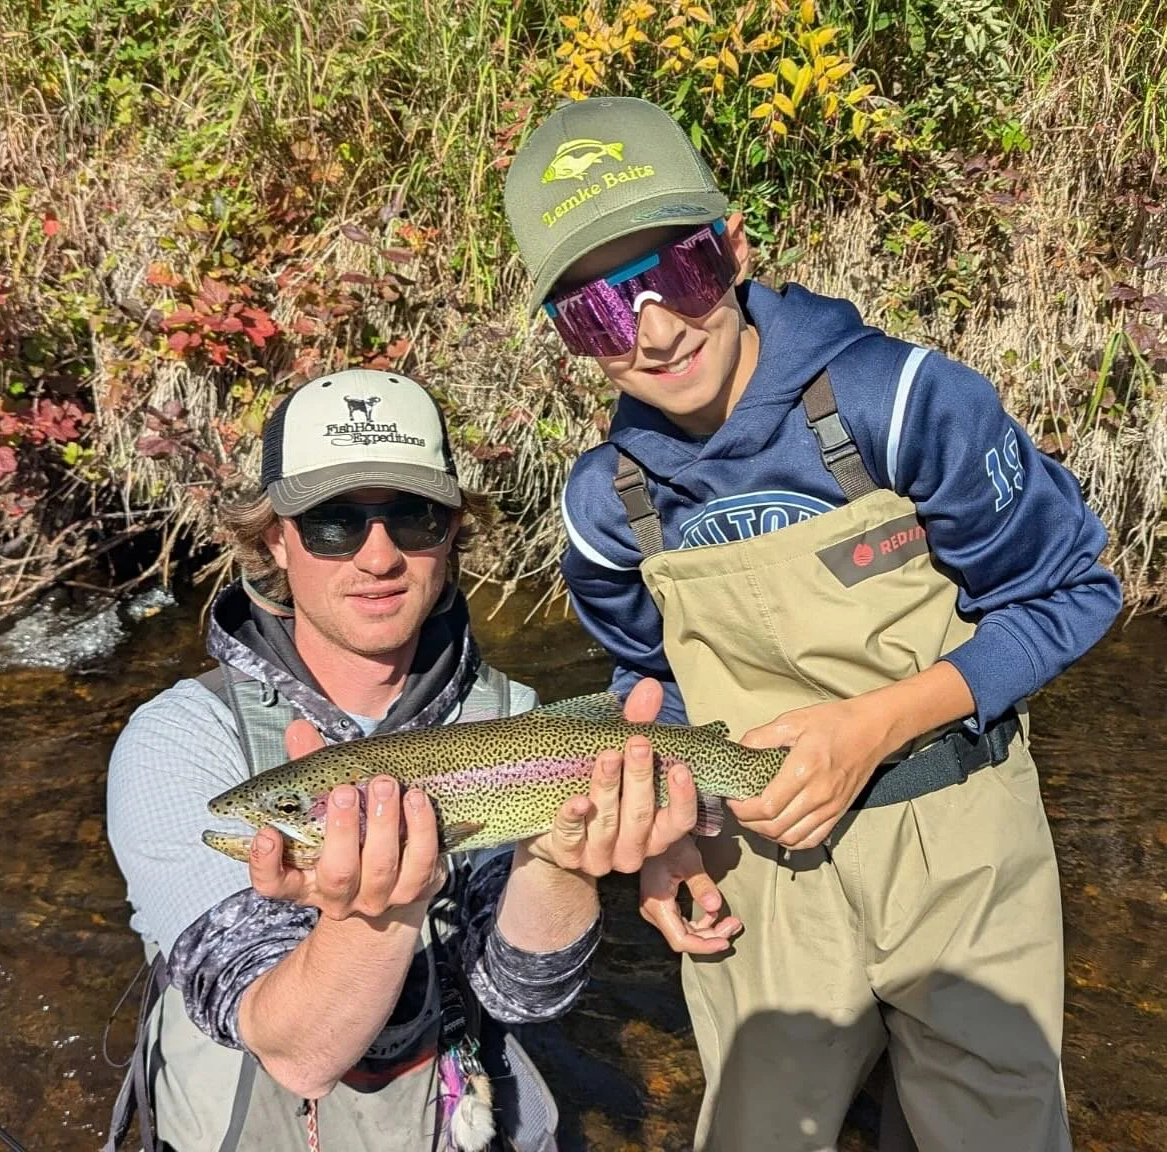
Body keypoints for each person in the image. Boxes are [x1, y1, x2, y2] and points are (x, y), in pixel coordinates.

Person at [503, 96, 1121, 1151]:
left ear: (736, 246)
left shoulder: (906, 402)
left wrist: (873, 727)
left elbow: (1073, 592)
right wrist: (666, 843)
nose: (652, 329)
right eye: (598, 311)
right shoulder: (606, 506)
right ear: (570, 337)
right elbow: (645, 694)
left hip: (963, 846)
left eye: (678, 272)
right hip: (752, 872)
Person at [104, 367, 707, 1152]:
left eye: (413, 517)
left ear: (453, 530)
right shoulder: (181, 742)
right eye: (333, 523)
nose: (379, 556)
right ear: (274, 541)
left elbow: (522, 998)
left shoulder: (514, 719)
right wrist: (374, 915)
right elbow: (298, 1053)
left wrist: (561, 864)